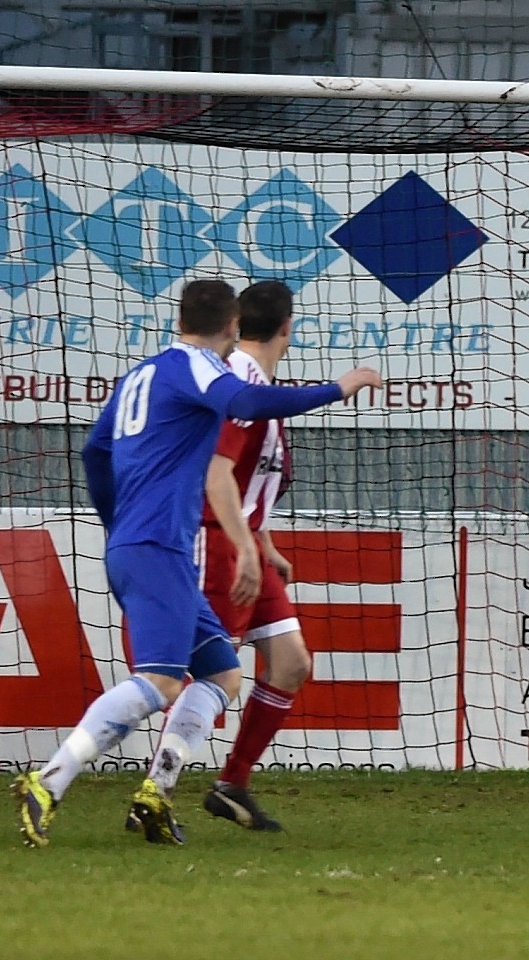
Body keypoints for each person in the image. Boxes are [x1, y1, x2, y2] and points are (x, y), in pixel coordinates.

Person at [11, 279, 380, 848]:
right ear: (232, 328)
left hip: (146, 545)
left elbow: (95, 452)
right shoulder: (199, 367)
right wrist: (339, 387)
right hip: (159, 546)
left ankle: (157, 794)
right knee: (160, 680)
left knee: (223, 674)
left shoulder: (140, 374)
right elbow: (249, 403)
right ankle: (48, 780)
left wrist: (117, 521)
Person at [197, 280, 309, 832]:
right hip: (220, 545)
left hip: (247, 545)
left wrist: (264, 543)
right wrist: (245, 546)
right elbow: (214, 472)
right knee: (196, 678)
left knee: (291, 663)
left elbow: (247, 478)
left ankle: (232, 784)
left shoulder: (258, 382)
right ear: (287, 327)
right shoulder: (239, 383)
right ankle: (156, 788)